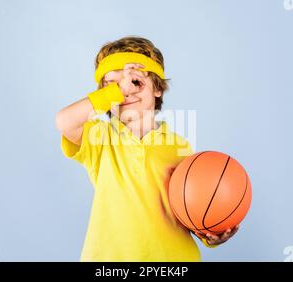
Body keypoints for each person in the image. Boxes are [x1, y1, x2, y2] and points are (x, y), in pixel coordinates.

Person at [55, 36, 238, 261]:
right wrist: (115, 91)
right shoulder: (98, 137)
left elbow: (188, 206)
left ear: (157, 89)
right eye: (113, 86)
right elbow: (65, 122)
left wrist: (207, 233)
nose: (126, 92)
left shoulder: (179, 146)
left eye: (136, 83)